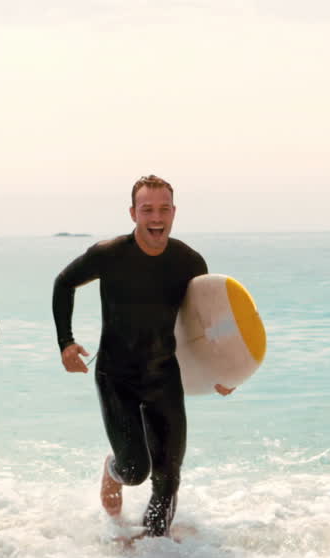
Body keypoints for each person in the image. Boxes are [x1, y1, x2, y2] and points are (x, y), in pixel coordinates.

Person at [52, 175, 233, 537]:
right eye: (147, 209)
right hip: (116, 376)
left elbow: (206, 322)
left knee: (168, 477)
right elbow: (64, 283)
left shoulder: (189, 261)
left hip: (162, 375)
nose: (156, 217)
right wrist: (66, 342)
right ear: (133, 213)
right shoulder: (110, 255)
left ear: (174, 213)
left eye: (164, 209)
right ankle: (112, 469)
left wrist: (223, 370)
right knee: (136, 470)